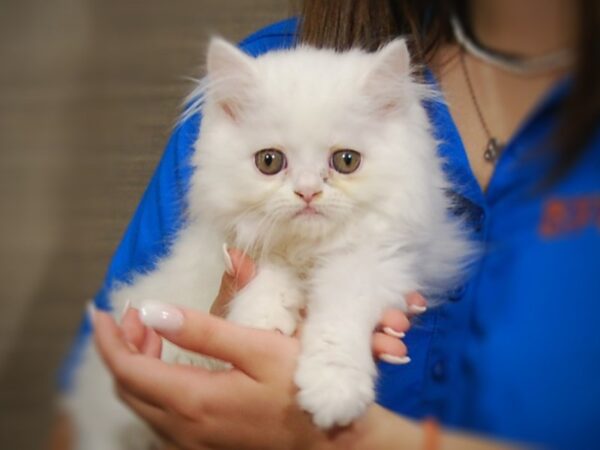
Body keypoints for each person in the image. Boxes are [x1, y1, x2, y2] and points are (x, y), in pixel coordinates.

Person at [53, 0, 600, 448]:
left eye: (344, 162)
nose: (308, 189)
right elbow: (86, 419)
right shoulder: (265, 64)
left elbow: (370, 262)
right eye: (272, 162)